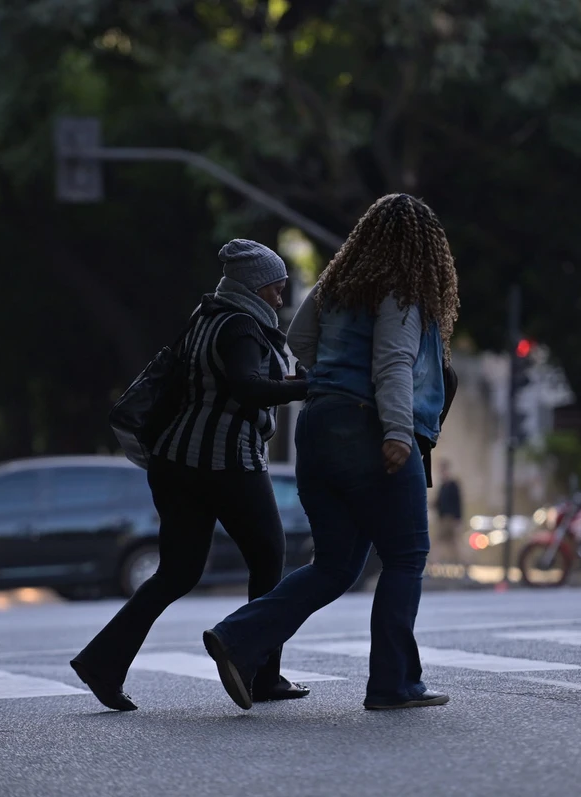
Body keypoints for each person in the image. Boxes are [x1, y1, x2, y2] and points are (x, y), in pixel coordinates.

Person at [203, 193, 460, 711]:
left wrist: (335, 380)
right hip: (370, 428)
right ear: (426, 249)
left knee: (336, 565)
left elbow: (298, 337)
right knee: (406, 558)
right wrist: (393, 431)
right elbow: (392, 363)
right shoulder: (401, 291)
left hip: (318, 426)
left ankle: (238, 637)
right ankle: (393, 685)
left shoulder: (338, 286)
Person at [70, 239, 311, 712]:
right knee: (270, 560)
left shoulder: (206, 316)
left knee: (176, 572)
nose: (279, 299)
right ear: (255, 287)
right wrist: (310, 386)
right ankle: (260, 672)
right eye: (275, 290)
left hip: (174, 462)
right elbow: (247, 387)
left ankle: (102, 662)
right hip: (225, 462)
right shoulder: (242, 325)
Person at [433, 462, 464, 569]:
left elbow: (458, 503)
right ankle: (437, 563)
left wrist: (458, 519)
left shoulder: (452, 485)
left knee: (453, 542)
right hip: (443, 519)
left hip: (451, 519)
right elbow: (439, 503)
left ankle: (459, 564)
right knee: (444, 542)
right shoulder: (442, 486)